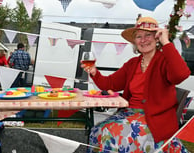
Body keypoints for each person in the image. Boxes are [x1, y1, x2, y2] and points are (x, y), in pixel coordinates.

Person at [81, 17, 191, 152]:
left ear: (157, 39)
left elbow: (181, 74)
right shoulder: (133, 63)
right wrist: (94, 71)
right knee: (97, 130)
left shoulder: (164, 60)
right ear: (135, 42)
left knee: (109, 133)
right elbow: (109, 83)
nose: (143, 40)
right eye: (139, 36)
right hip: (129, 113)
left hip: (154, 119)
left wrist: (166, 42)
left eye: (148, 35)